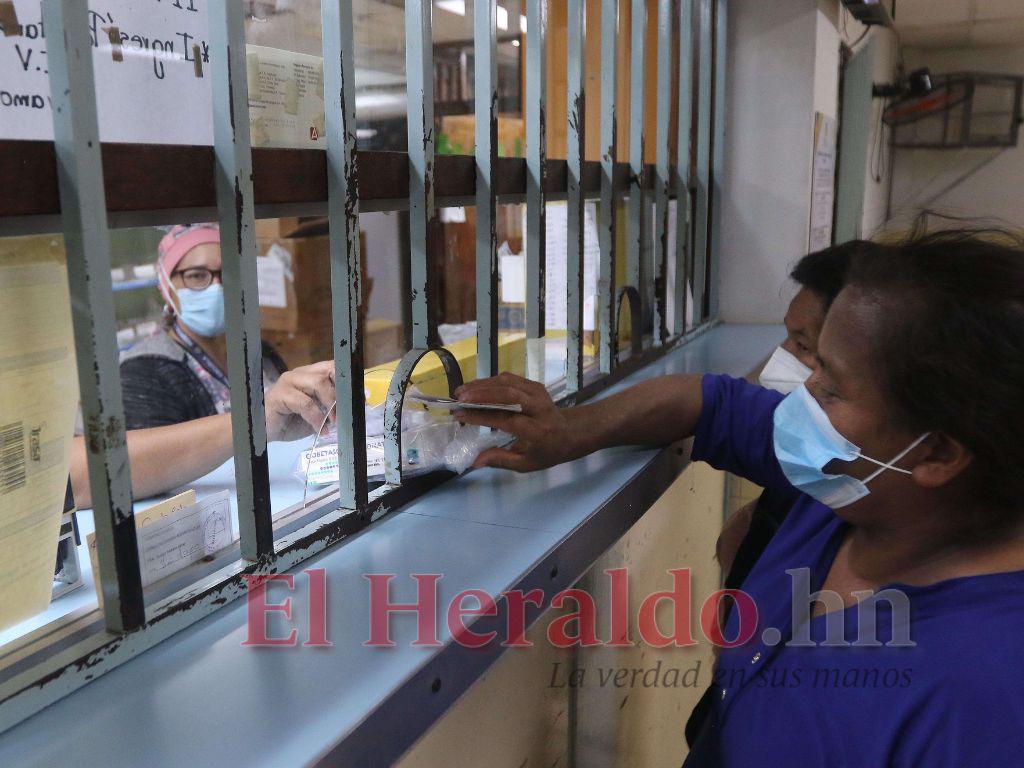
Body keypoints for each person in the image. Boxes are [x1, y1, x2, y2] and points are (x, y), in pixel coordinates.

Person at [455, 231, 1024, 766]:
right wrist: (570, 430)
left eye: (830, 385)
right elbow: (711, 403)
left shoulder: (981, 693)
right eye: (813, 362)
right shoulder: (854, 488)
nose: (801, 396)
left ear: (937, 455)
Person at [70, 224, 336, 508]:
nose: (217, 287)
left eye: (229, 273)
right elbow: (134, 480)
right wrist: (257, 420)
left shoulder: (260, 354)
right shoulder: (145, 372)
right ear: (167, 287)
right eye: (197, 276)